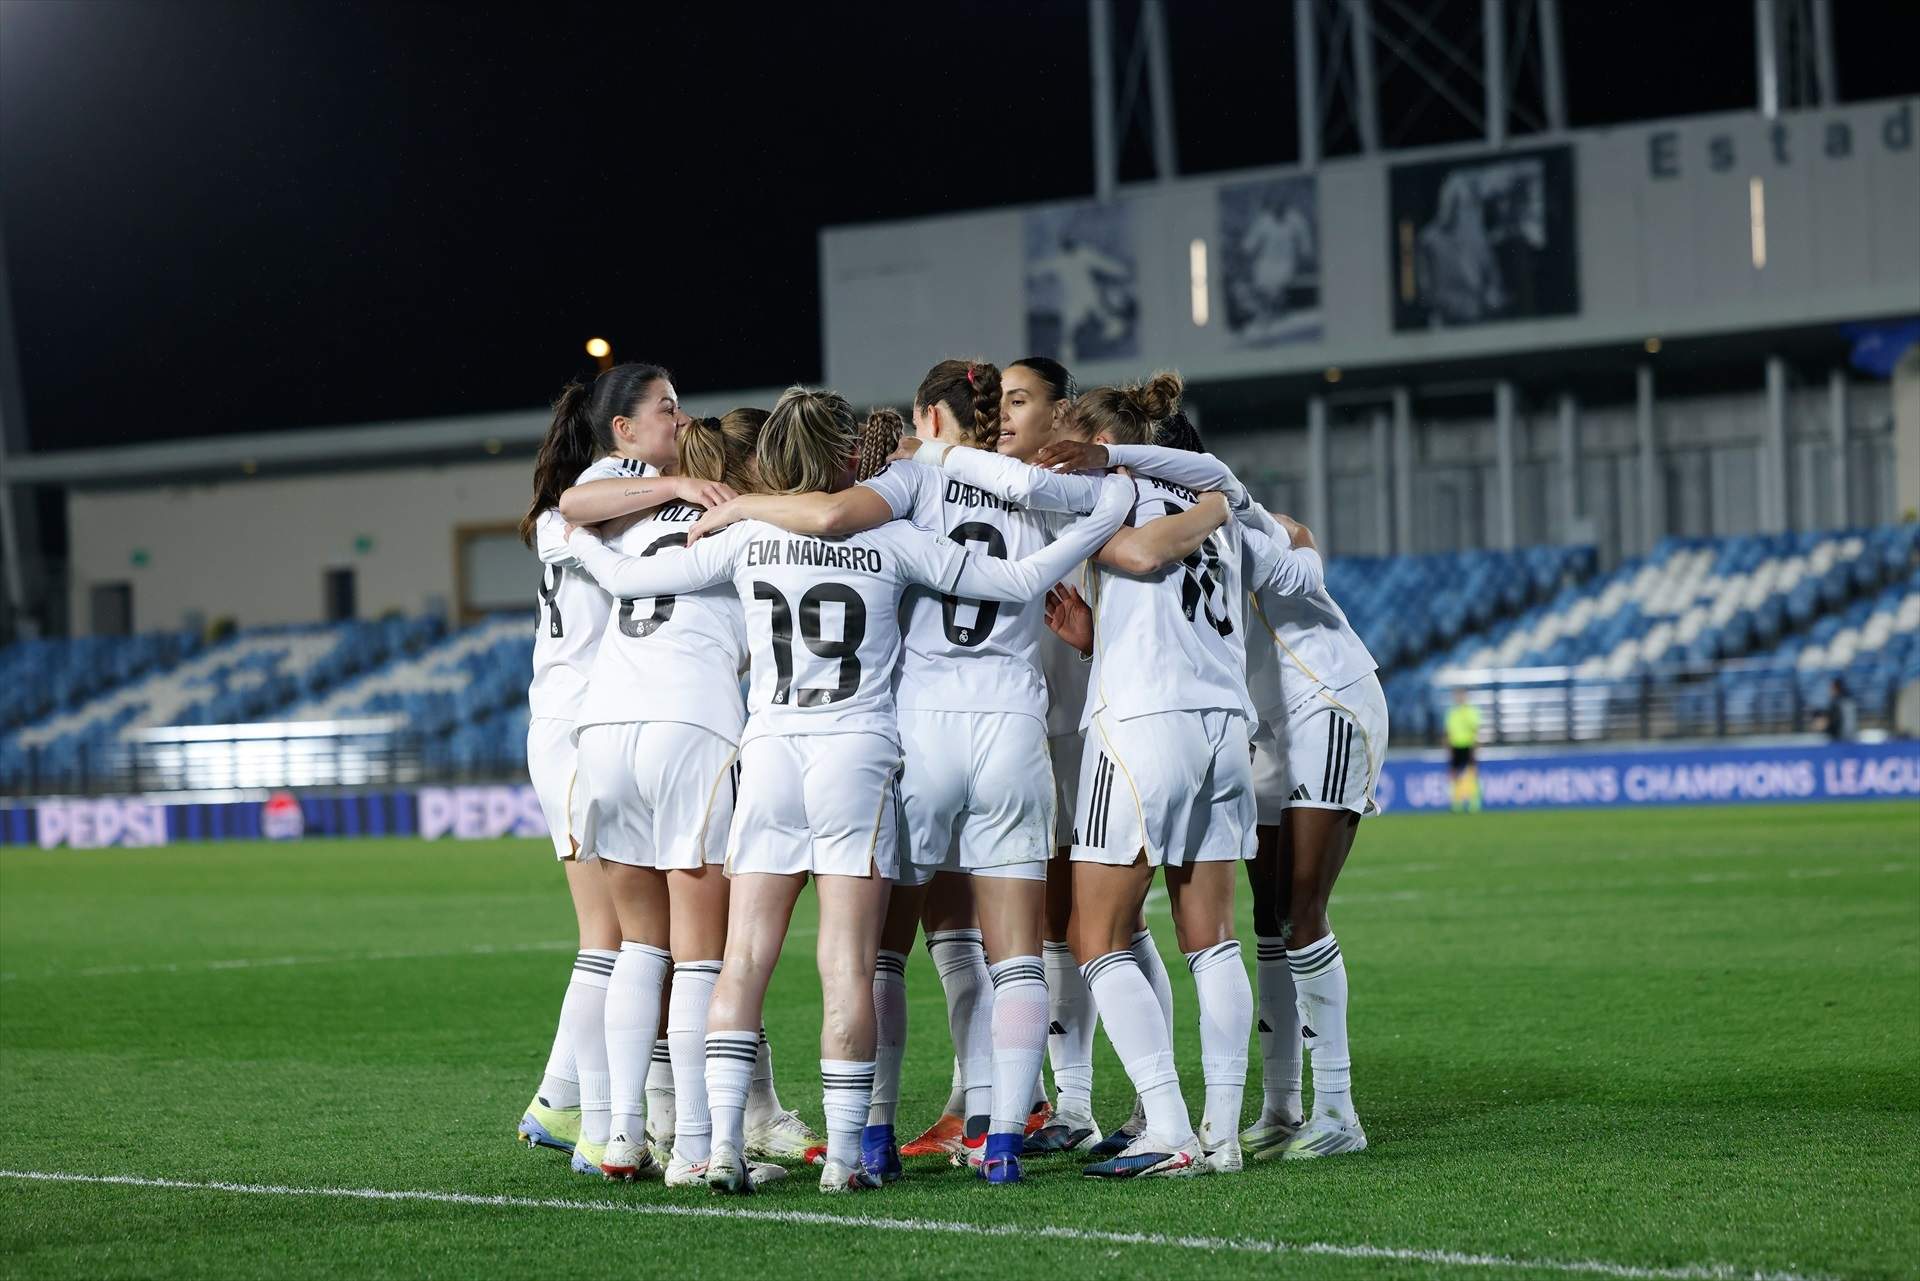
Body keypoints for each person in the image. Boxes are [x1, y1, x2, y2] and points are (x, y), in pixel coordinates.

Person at [565, 385, 1137, 1194]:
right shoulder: (894, 538)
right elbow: (1014, 583)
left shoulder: (749, 535)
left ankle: (720, 1146)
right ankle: (846, 1155)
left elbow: (626, 579)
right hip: (857, 756)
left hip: (769, 751)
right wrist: (1096, 519)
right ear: (846, 458)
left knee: (744, 957)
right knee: (848, 961)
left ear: (770, 461)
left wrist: (575, 539)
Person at [682, 363, 1221, 1184]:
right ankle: (999, 1135)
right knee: (1014, 952)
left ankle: (854, 1138)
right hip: (1009, 725)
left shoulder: (900, 485)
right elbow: (1022, 571)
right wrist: (1110, 499)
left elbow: (821, 518)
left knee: (866, 956)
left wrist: (737, 504)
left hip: (902, 735)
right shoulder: (1040, 484)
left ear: (930, 414)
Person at [1037, 427, 1391, 1160]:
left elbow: (1288, 556)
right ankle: (1280, 1106)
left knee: (1298, 908)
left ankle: (1337, 1105)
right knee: (1261, 917)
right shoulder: (1192, 521)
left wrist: (1247, 520)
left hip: (1324, 701)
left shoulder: (1234, 516)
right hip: (1248, 722)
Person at [1005, 371, 1326, 1178]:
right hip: (1223, 731)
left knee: (1094, 933)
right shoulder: (1217, 519)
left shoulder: (1114, 501)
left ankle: (1169, 1125)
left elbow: (1137, 557)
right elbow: (1188, 602)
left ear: (1107, 448)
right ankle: (1219, 1131)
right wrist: (1097, 634)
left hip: (1142, 729)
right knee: (1210, 938)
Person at [570, 408, 791, 1188]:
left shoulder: (628, 514)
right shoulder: (749, 524)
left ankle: (622, 1136)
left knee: (640, 943)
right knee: (702, 952)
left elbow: (571, 516)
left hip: (603, 725)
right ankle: (696, 1147)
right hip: (688, 725)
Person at [514, 362, 693, 1176]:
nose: (680, 420)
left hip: (574, 725)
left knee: (620, 934)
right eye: (666, 408)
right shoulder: (611, 489)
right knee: (615, 937)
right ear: (622, 430)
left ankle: (559, 1098)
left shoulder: (609, 493)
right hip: (581, 730)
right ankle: (587, 1118)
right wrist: (680, 487)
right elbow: (585, 509)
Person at [1447, 688, 1482, 812]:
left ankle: (1474, 803)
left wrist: (1475, 747)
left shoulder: (1472, 712)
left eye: (1462, 696)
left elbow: (1475, 730)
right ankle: (1457, 803)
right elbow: (1449, 733)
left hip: (1468, 745)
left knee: (1471, 774)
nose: (1460, 698)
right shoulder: (1453, 713)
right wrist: (1449, 748)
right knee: (1454, 774)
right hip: (1456, 745)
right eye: (1458, 696)